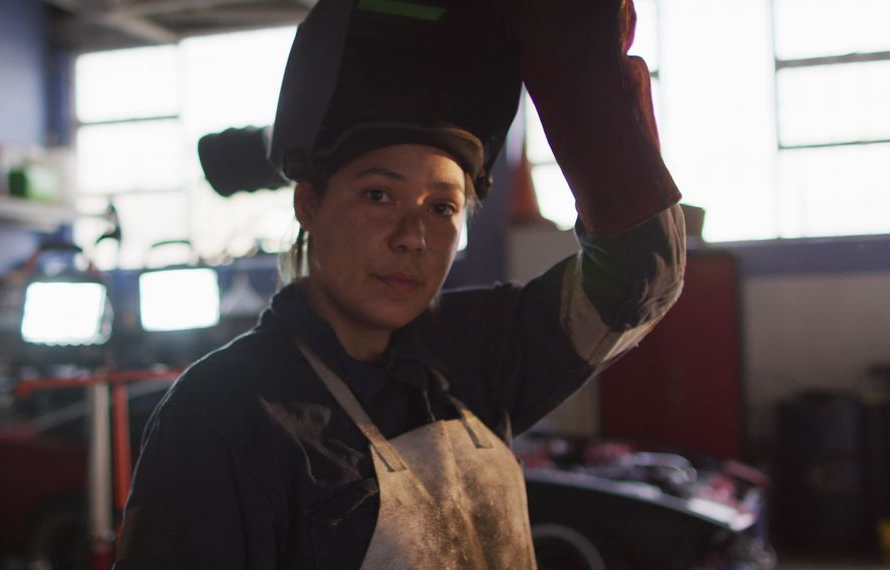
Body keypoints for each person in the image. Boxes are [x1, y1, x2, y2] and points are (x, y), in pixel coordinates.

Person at [115, 0, 686, 567]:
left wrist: (579, 70)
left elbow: (640, 275)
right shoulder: (220, 417)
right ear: (308, 202)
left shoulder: (475, 354)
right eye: (378, 195)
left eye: (442, 207)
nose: (414, 236)